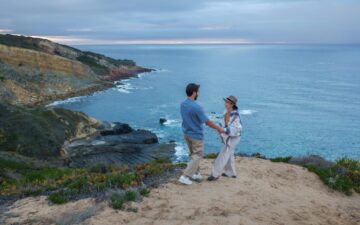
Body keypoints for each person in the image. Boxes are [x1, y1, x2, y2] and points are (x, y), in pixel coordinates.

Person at [178, 83, 224, 185]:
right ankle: (185, 176)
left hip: (186, 133)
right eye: (198, 91)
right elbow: (207, 122)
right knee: (197, 155)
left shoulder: (183, 104)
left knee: (193, 155)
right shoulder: (197, 107)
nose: (199, 93)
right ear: (194, 93)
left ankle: (196, 173)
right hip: (196, 135)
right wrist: (219, 128)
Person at [208, 95, 242, 181]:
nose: (225, 103)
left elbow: (236, 129)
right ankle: (231, 172)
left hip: (234, 138)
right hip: (228, 136)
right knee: (229, 154)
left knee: (223, 155)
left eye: (227, 102)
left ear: (232, 104)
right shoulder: (225, 113)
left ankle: (215, 174)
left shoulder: (235, 115)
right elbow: (221, 123)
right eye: (225, 101)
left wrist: (221, 129)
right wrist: (216, 127)